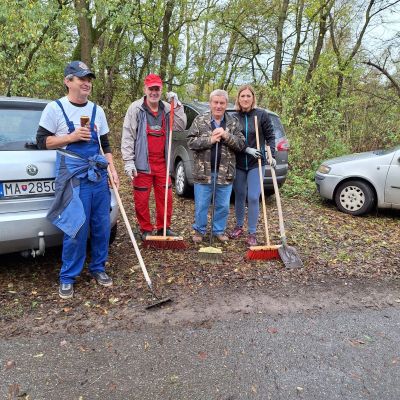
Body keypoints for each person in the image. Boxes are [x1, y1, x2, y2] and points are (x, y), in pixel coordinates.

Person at [36, 60, 120, 299]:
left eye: (89, 79)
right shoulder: (55, 109)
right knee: (76, 226)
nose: (87, 83)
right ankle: (68, 276)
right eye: (82, 78)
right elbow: (43, 141)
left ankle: (98, 268)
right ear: (68, 81)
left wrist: (112, 169)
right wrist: (71, 137)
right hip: (74, 176)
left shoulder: (97, 111)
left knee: (102, 224)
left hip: (97, 174)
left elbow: (105, 145)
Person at [121, 74, 186, 240]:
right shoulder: (136, 109)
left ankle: (164, 227)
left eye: (157, 89)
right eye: (151, 89)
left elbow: (180, 125)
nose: (154, 92)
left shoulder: (167, 108)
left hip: (163, 163)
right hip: (143, 163)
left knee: (166, 198)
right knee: (141, 199)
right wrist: (128, 161)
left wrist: (177, 106)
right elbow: (128, 136)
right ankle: (145, 229)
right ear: (145, 89)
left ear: (161, 89)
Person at [187, 89, 245, 243]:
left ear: (226, 104)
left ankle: (218, 230)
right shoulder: (200, 120)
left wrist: (226, 136)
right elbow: (191, 142)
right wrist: (210, 140)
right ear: (210, 103)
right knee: (201, 205)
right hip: (203, 172)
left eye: (222, 103)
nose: (218, 106)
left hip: (225, 173)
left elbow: (241, 144)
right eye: (216, 102)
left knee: (223, 206)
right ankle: (199, 231)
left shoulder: (233, 123)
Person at [229, 84, 276, 246]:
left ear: (253, 98)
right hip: (239, 162)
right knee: (240, 195)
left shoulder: (261, 115)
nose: (245, 99)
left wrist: (272, 155)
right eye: (242, 96)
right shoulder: (234, 117)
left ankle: (252, 232)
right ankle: (239, 226)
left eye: (248, 96)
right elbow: (232, 140)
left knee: (254, 196)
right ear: (238, 99)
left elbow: (270, 137)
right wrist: (246, 149)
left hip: (257, 162)